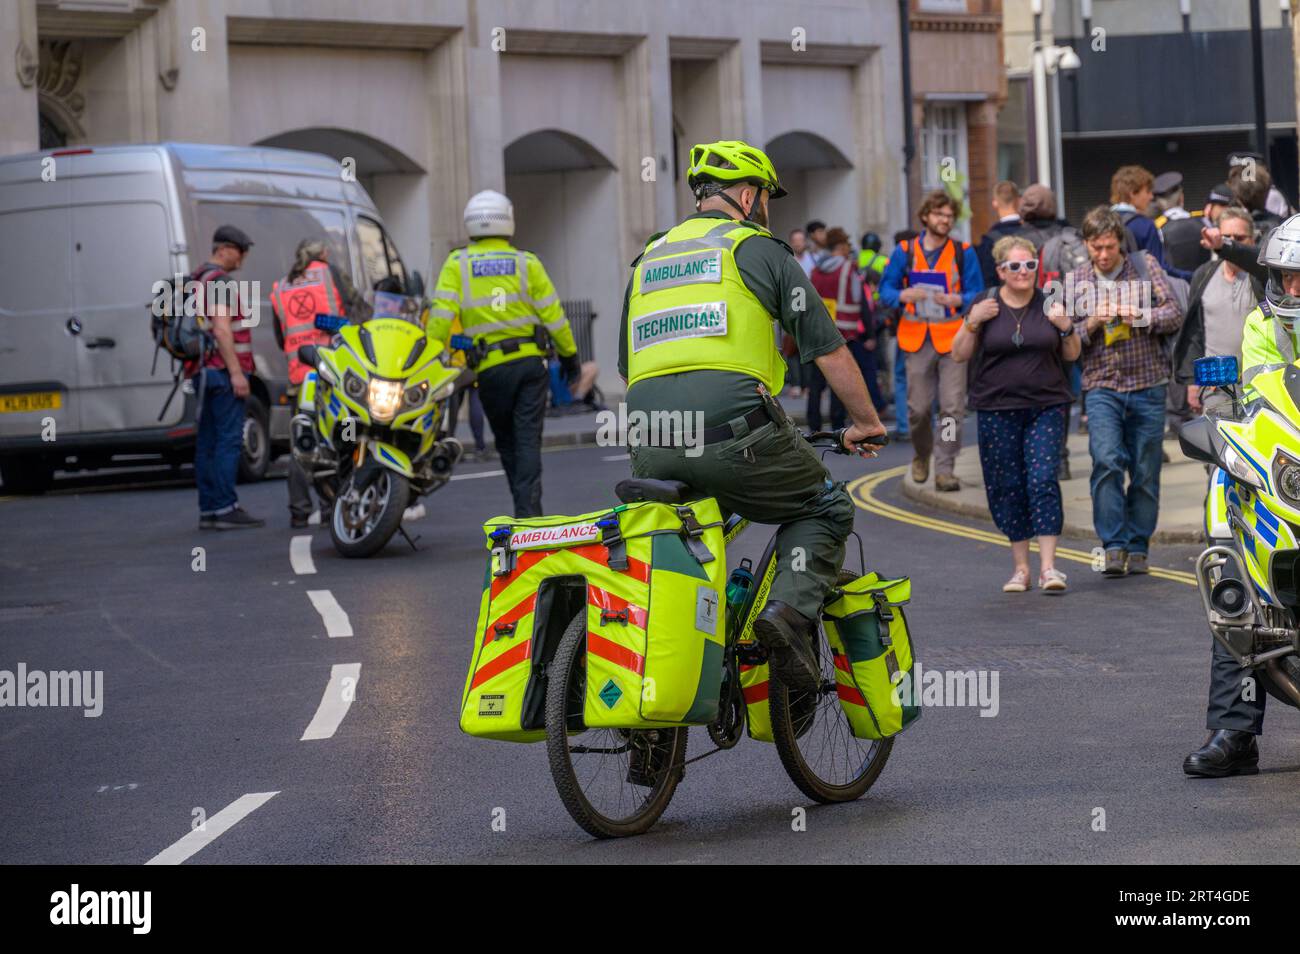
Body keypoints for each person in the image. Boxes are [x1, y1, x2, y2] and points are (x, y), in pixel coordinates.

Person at [618, 139, 886, 692]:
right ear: (747, 195)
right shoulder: (758, 249)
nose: (766, 208)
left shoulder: (649, 258)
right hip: (734, 433)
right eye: (765, 198)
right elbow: (827, 347)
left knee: (689, 533)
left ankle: (668, 690)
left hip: (649, 438)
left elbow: (629, 366)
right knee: (827, 505)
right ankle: (784, 617)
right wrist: (866, 421)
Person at [1183, 213, 1300, 778]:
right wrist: (1225, 428)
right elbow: (1256, 398)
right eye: (1286, 276)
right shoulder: (1261, 322)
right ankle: (1233, 730)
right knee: (1236, 581)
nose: (1295, 288)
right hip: (1285, 466)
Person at [427, 189, 580, 518]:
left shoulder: (457, 264)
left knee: (507, 442)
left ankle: (524, 509)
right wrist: (570, 357)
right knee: (527, 440)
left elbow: (439, 320)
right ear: (508, 220)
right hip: (529, 367)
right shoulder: (527, 263)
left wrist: (425, 359)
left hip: (490, 370)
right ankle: (528, 513)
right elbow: (554, 317)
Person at [951, 235, 1080, 592]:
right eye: (1015, 266)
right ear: (1001, 270)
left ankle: (1049, 568)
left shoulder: (1050, 299)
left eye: (1030, 265)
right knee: (1007, 486)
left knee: (1041, 480)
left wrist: (1067, 327)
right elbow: (959, 354)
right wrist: (972, 321)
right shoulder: (985, 302)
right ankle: (1021, 568)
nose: (1024, 272)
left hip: (1047, 405)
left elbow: (1071, 354)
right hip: (996, 408)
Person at [1069, 206, 1183, 576]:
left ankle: (1138, 545)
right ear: (1086, 245)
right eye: (1096, 247)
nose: (1103, 255)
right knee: (1106, 461)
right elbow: (1066, 338)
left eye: (1109, 247)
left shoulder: (1144, 265)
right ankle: (1113, 544)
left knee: (1146, 469)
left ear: (1120, 242)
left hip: (1148, 383)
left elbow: (1174, 313)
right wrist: (1093, 322)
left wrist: (1142, 316)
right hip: (1102, 385)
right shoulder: (1076, 280)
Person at [879, 190, 984, 490]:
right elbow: (884, 291)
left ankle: (945, 466)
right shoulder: (905, 250)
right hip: (916, 337)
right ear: (926, 216)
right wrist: (902, 295)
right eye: (940, 214)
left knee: (952, 408)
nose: (945, 220)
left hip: (953, 339)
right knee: (919, 409)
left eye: (950, 216)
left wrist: (957, 298)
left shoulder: (964, 251)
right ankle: (922, 453)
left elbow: (976, 294)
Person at [270, 238, 364, 527]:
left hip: (302, 373)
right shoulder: (331, 273)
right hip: (334, 370)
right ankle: (335, 503)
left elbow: (280, 334)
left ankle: (299, 509)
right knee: (344, 435)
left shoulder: (281, 286)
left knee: (304, 439)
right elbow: (359, 312)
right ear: (322, 254)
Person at [189, 226, 264, 530]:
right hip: (221, 372)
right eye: (241, 250)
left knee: (207, 441)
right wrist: (236, 373)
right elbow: (221, 329)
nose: (243, 257)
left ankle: (209, 509)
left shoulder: (195, 279)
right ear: (225, 249)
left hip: (200, 371)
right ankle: (225, 507)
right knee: (229, 440)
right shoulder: (219, 282)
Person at [1173, 206, 1262, 413]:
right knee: (1216, 444)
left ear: (1252, 240)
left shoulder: (1261, 276)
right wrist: (1193, 382)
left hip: (1259, 386)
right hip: (1216, 389)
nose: (1231, 243)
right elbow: (1194, 331)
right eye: (1226, 237)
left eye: (1239, 238)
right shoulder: (1204, 274)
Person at [808, 227, 882, 428]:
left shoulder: (815, 271)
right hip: (845, 332)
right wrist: (870, 333)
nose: (849, 249)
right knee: (839, 380)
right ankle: (837, 423)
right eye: (848, 245)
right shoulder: (849, 269)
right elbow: (862, 303)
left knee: (816, 382)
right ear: (840, 247)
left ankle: (813, 425)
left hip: (817, 331)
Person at [1152, 171, 1210, 276]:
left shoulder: (1157, 229)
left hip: (1174, 288)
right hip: (1205, 284)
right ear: (1181, 197)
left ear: (1159, 203)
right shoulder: (1203, 221)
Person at [974, 180, 1024, 287]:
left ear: (995, 203)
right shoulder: (1032, 232)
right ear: (1019, 201)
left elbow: (987, 279)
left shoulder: (989, 240)